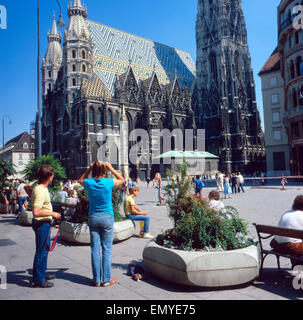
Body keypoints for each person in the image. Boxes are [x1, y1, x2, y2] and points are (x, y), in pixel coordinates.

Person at [79, 161, 125, 288]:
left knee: (95, 249)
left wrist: (89, 169)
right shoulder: (109, 182)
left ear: (93, 170)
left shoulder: (89, 183)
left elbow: (80, 180)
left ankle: (96, 280)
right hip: (107, 216)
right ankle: (105, 280)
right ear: (104, 171)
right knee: (107, 249)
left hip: (94, 216)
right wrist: (111, 168)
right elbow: (122, 179)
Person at [29, 165, 61, 288]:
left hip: (44, 223)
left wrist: (32, 198)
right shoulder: (41, 190)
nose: (53, 177)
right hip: (41, 223)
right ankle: (38, 280)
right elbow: (36, 212)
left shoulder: (37, 185)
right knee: (41, 251)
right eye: (52, 175)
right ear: (48, 176)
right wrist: (53, 214)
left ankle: (41, 272)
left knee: (44, 249)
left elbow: (27, 187)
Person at [270, 195, 303, 267]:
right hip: (291, 248)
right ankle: (298, 263)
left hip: (277, 244)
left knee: (294, 239)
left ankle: (296, 263)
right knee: (296, 242)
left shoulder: (287, 212)